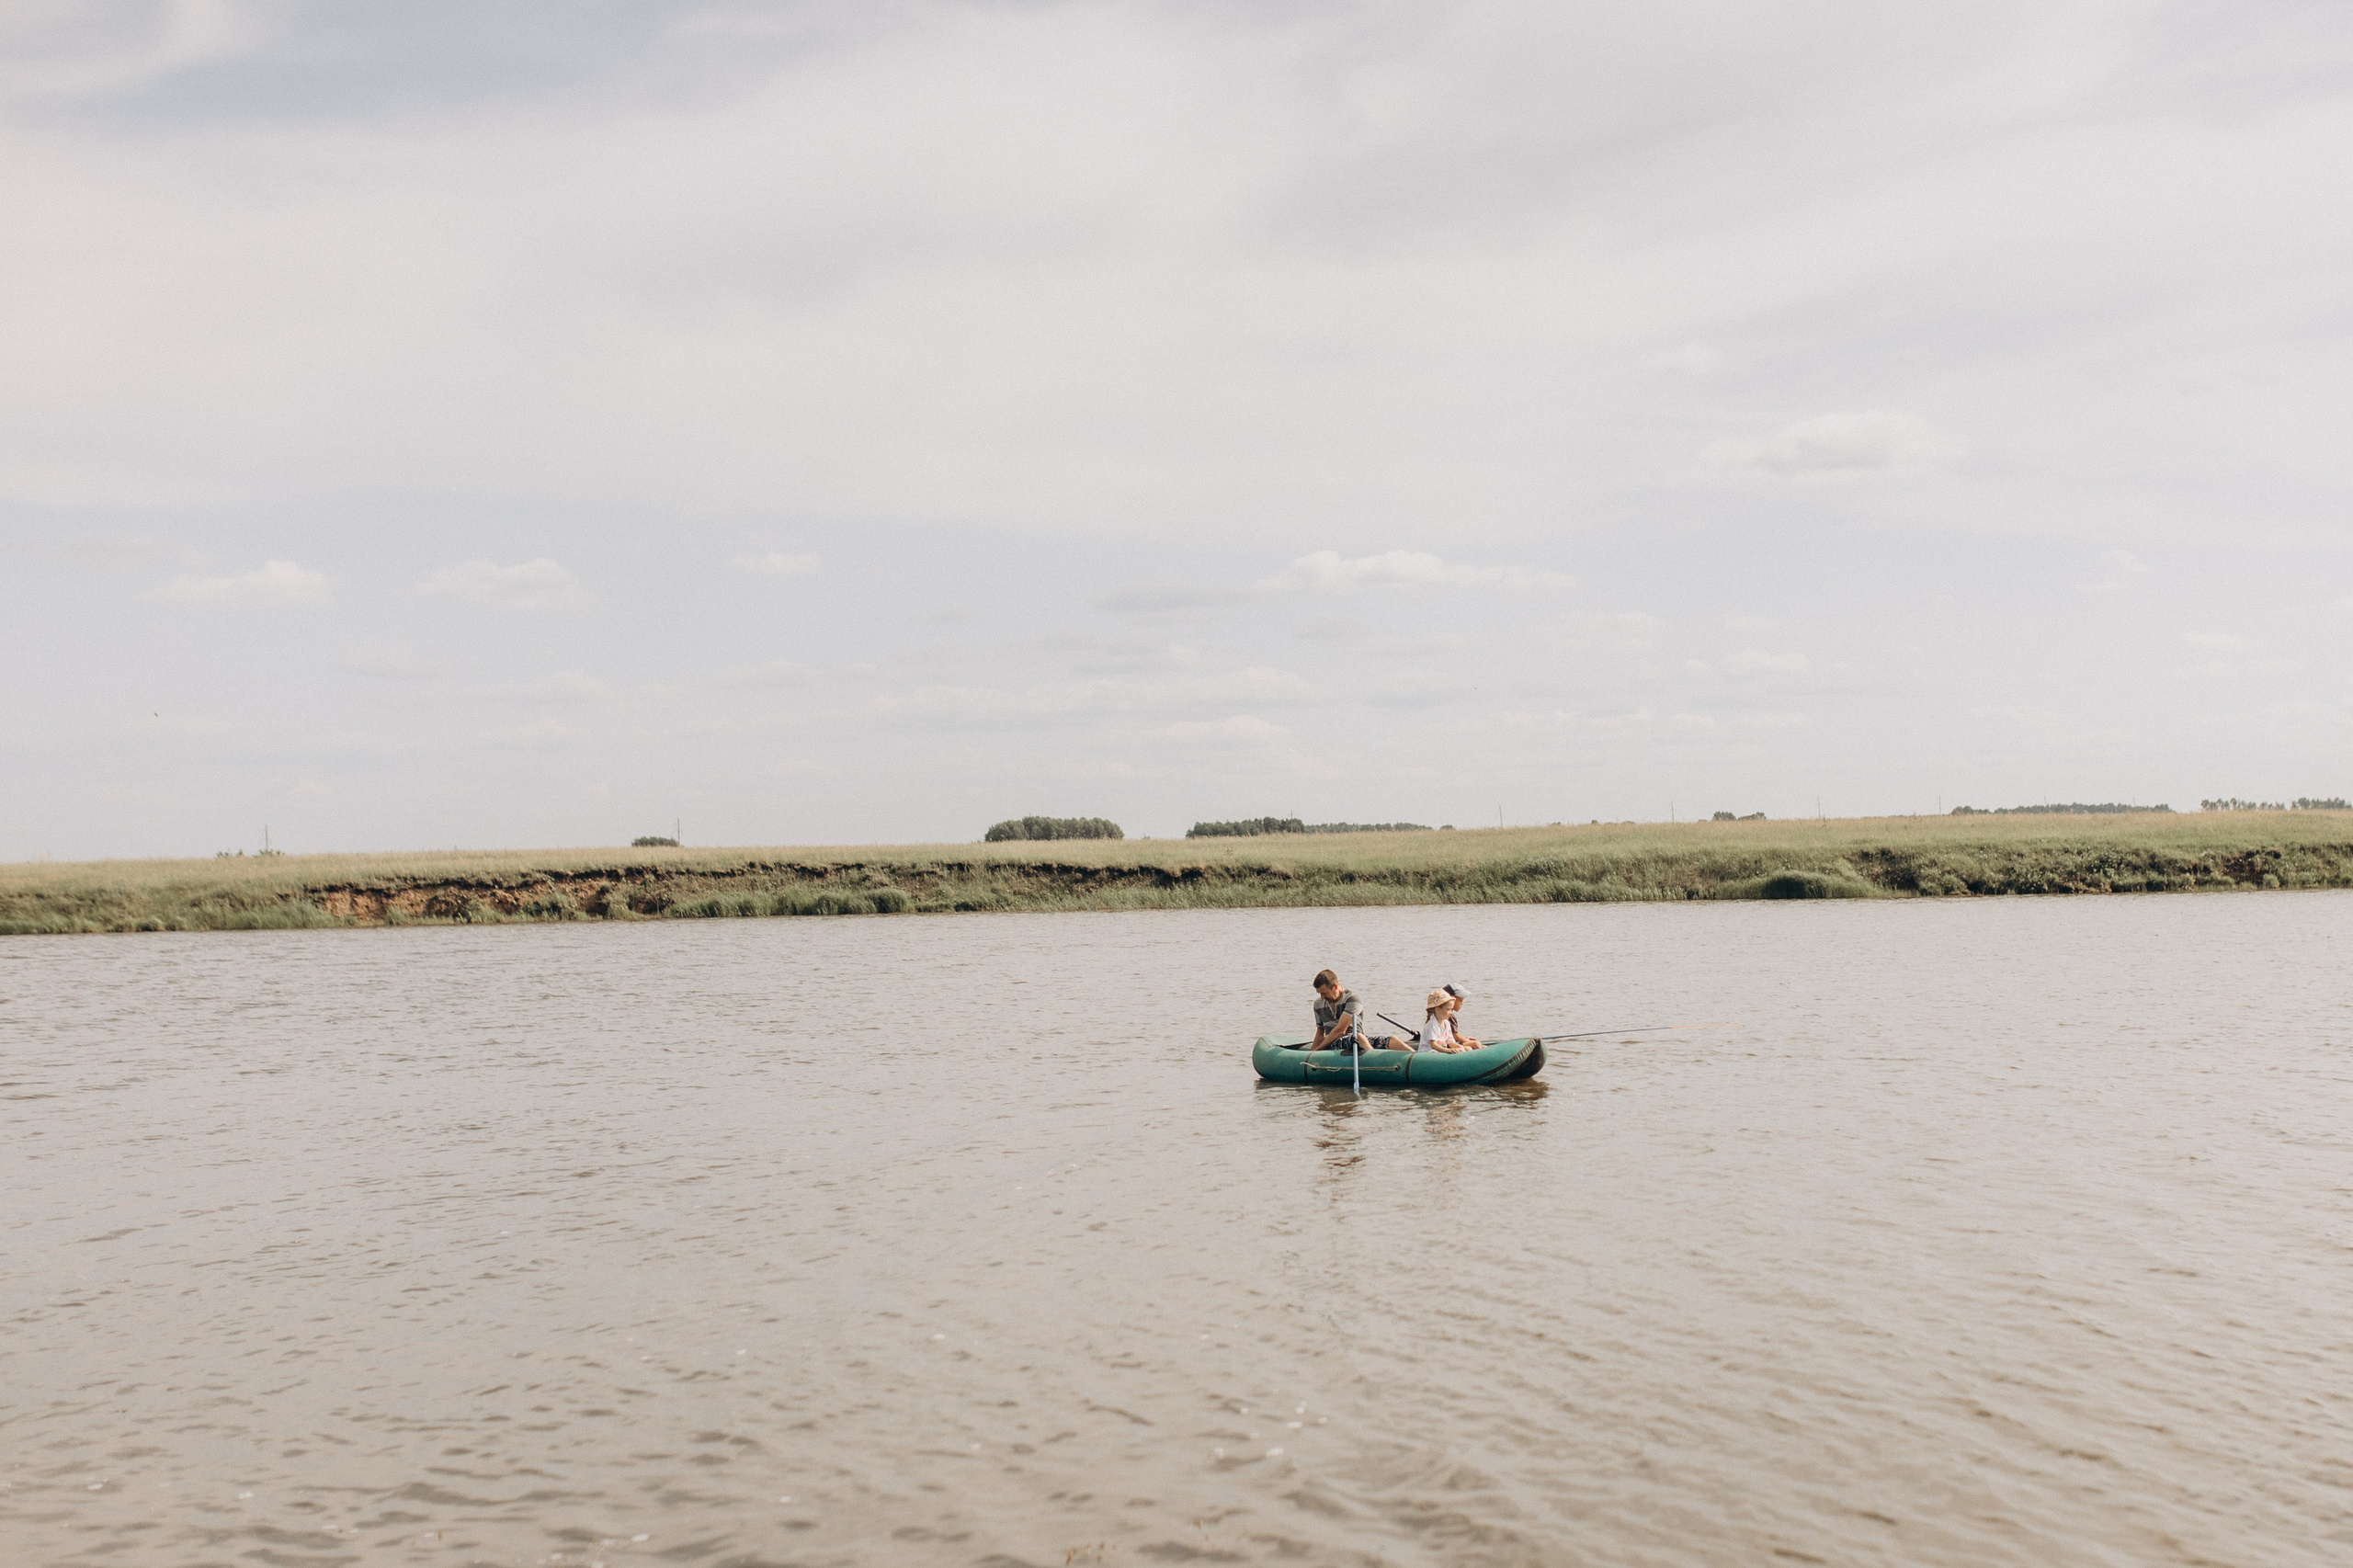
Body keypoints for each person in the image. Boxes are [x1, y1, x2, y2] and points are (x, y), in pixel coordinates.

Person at [1309, 970, 1397, 1054]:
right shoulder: (1318, 1004)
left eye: (1324, 993)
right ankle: (1375, 1061)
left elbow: (1340, 1030)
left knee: (1392, 1040)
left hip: (1357, 1039)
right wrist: (1312, 1054)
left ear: (1335, 986)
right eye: (1320, 993)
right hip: (1334, 1044)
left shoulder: (1352, 999)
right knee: (1359, 1037)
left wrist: (1319, 1049)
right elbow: (1320, 1033)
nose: (1322, 997)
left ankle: (1410, 1057)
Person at [1417, 986, 1482, 1052]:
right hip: (1429, 1052)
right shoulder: (1432, 1025)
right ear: (1438, 1010)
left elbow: (1450, 1042)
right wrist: (1447, 1050)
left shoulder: (1447, 1023)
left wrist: (1461, 1047)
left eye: (1451, 1009)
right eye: (1448, 1010)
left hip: (1440, 1051)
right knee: (1462, 1050)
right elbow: (1433, 1045)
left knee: (1468, 1049)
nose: (1451, 1013)